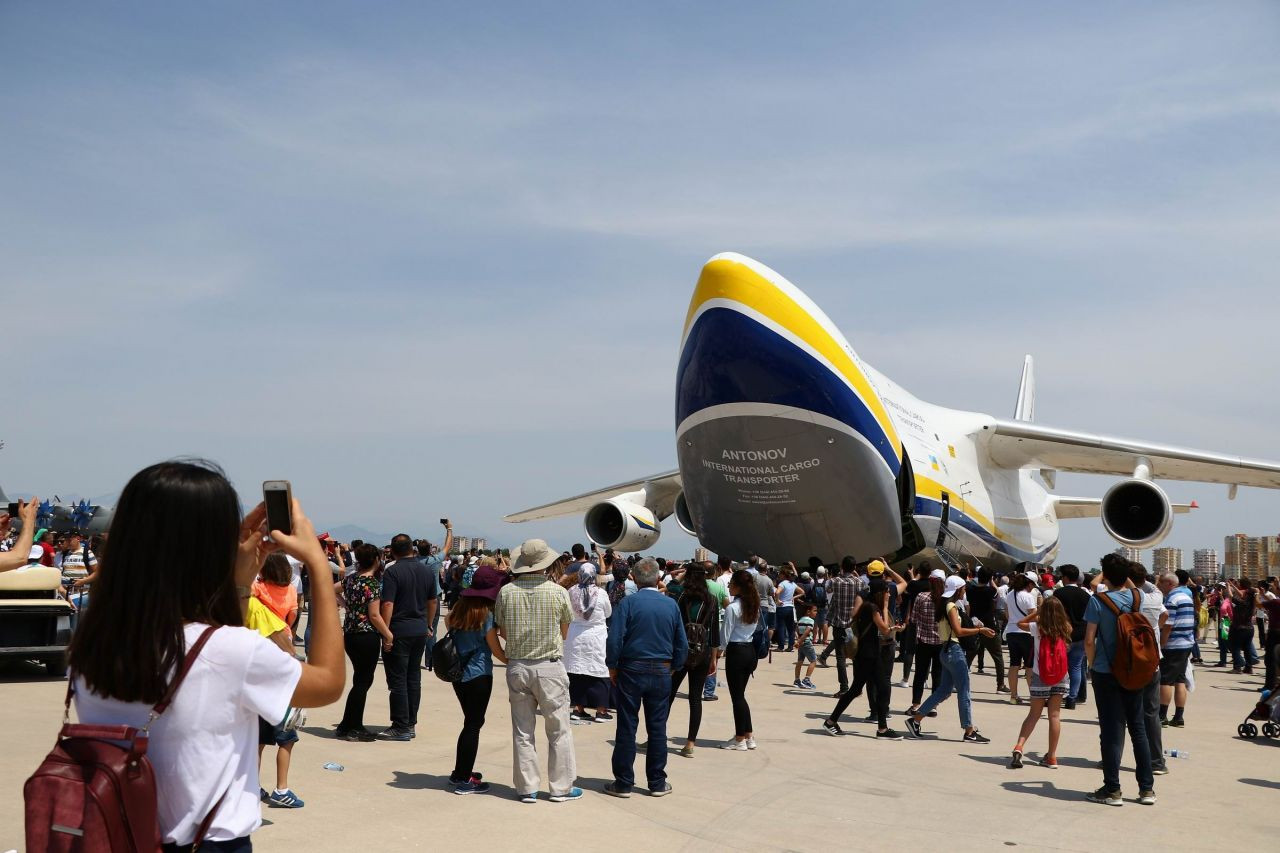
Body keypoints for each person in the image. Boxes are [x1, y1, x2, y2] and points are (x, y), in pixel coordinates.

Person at [67, 460, 344, 850]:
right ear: (209, 550)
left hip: (116, 833)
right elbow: (329, 682)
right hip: (207, 842)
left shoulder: (92, 643)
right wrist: (317, 562)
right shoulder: (230, 652)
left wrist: (240, 585)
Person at [494, 539, 581, 803]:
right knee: (559, 729)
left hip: (518, 665)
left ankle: (527, 788)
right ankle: (561, 787)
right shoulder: (557, 592)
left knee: (522, 730)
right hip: (549, 666)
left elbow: (503, 630)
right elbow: (565, 631)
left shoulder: (506, 592)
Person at [603, 558, 687, 797]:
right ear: (658, 578)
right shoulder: (670, 605)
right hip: (661, 669)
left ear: (635, 579)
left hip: (631, 668)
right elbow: (681, 642)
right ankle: (657, 782)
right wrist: (674, 666)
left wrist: (612, 666)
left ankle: (623, 782)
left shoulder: (628, 604)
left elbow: (615, 638)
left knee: (627, 725)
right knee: (658, 727)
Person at [1084, 553, 1155, 807]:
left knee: (1112, 731)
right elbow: (1135, 586)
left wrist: (1092, 665)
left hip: (1106, 670)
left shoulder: (1098, 602)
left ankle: (1112, 788)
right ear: (1125, 575)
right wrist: (1121, 573)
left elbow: (1089, 639)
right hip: (1135, 669)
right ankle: (1146, 789)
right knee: (1138, 729)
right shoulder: (1138, 597)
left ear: (1105, 574)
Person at [903, 576, 995, 744]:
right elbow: (958, 631)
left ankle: (915, 720)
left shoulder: (944, 604)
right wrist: (980, 630)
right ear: (958, 589)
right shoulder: (951, 606)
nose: (965, 591)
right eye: (963, 588)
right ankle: (969, 731)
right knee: (964, 691)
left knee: (943, 691)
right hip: (954, 650)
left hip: (946, 650)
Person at [446, 565, 508, 794]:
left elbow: (448, 626)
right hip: (479, 674)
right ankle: (463, 779)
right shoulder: (486, 616)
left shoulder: (457, 610)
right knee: (473, 725)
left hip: (458, 674)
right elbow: (495, 649)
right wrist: (511, 661)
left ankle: (460, 771)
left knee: (470, 722)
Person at [823, 579, 905, 739]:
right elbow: (885, 629)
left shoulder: (867, 606)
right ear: (880, 593)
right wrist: (886, 606)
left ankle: (882, 728)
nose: (889, 594)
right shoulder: (873, 608)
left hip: (869, 654)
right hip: (868, 656)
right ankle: (831, 722)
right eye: (887, 591)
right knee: (858, 690)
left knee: (879, 689)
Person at [376, 533, 439, 741]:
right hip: (419, 630)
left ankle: (401, 725)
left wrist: (386, 633)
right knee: (414, 678)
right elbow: (433, 602)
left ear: (392, 551)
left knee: (398, 680)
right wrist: (429, 624)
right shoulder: (427, 571)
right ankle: (410, 722)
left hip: (399, 630)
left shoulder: (392, 572)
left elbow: (387, 604)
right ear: (412, 548)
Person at [246, 594, 304, 808]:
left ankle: (253, 784)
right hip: (276, 685)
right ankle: (282, 788)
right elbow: (288, 646)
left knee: (257, 741)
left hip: (252, 684)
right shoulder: (260, 607)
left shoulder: (253, 597)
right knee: (287, 738)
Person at [335, 543, 393, 741]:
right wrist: (388, 635)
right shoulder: (373, 584)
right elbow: (375, 615)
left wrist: (348, 606)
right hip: (366, 635)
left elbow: (332, 589)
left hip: (350, 634)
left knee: (359, 680)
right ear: (376, 560)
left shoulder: (351, 579)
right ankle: (355, 727)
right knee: (363, 681)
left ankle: (346, 723)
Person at [1008, 595, 1073, 770]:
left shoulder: (1037, 627)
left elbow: (1019, 623)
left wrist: (1037, 612)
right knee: (1054, 716)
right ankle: (1052, 756)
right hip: (1060, 676)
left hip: (1040, 675)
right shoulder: (1065, 628)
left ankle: (1019, 746)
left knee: (1033, 715)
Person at [670, 563, 721, 756]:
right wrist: (714, 659)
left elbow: (673, 583)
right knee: (695, 698)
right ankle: (690, 743)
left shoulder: (682, 597)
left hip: (682, 651)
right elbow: (714, 633)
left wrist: (682, 574)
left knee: (669, 694)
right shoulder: (712, 600)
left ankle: (655, 737)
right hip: (703, 652)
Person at [564, 563, 613, 723]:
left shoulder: (572, 591)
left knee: (577, 671)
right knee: (599, 671)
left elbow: (568, 611)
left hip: (576, 634)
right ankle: (601, 711)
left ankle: (578, 709)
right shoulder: (601, 593)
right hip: (596, 636)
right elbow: (608, 612)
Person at [720, 569, 762, 750]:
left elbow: (725, 636)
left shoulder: (732, 607)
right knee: (740, 696)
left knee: (737, 697)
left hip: (736, 651)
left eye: (731, 584)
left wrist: (717, 653)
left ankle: (739, 739)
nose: (728, 586)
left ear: (738, 586)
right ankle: (748, 735)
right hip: (750, 650)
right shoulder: (753, 605)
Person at [817, 556, 863, 697]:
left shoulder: (835, 581)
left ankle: (844, 687)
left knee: (840, 657)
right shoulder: (858, 582)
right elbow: (865, 589)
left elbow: (828, 589)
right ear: (854, 567)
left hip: (838, 623)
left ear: (842, 567)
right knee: (856, 656)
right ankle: (857, 688)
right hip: (854, 624)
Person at [1157, 572, 1194, 729]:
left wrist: (1162, 644)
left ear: (1170, 584)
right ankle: (1179, 716)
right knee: (1180, 680)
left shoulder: (1172, 599)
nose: (1159, 585)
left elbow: (1168, 625)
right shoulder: (1186, 597)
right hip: (1186, 643)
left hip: (1173, 644)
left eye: (1161, 582)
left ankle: (1162, 716)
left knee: (1165, 680)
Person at [906, 569, 944, 718]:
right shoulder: (945, 599)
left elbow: (913, 619)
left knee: (920, 674)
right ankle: (933, 706)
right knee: (937, 674)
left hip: (923, 641)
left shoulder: (921, 596)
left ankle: (916, 705)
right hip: (940, 642)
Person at [1052, 565, 1091, 709]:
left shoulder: (1059, 593)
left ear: (1066, 578)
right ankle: (1072, 698)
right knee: (1076, 667)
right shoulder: (1086, 595)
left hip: (1063, 634)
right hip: (1081, 634)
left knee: (1059, 666)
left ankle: (1057, 694)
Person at [965, 567, 1007, 693]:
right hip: (989, 626)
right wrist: (991, 580)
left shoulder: (970, 590)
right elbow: (996, 592)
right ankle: (1000, 685)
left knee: (969, 657)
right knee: (997, 657)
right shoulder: (990, 590)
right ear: (990, 578)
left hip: (974, 625)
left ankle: (958, 682)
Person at [1003, 574, 1040, 705]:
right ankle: (1033, 696)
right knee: (1029, 666)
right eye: (1033, 585)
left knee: (1014, 664)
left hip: (1011, 631)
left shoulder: (1010, 594)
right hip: (1026, 633)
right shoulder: (1028, 596)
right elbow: (1034, 616)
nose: (1033, 588)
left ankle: (1014, 696)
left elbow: (1007, 613)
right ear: (1029, 584)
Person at [253, 553, 299, 637]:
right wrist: (286, 625)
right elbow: (293, 614)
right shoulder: (291, 589)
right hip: (284, 633)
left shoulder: (257, 587)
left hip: (262, 633)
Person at [774, 563, 801, 651]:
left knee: (781, 627)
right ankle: (790, 646)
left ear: (783, 575)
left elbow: (777, 592)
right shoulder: (792, 584)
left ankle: (781, 646)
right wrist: (794, 597)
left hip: (782, 607)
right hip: (790, 607)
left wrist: (777, 600)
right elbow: (802, 592)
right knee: (790, 628)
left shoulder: (782, 584)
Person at [792, 603, 819, 689]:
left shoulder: (800, 620)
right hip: (806, 643)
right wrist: (799, 641)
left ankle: (797, 680)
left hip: (801, 644)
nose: (816, 613)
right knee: (813, 660)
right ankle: (806, 680)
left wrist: (798, 640)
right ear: (808, 611)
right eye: (814, 611)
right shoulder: (811, 621)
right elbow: (807, 632)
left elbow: (795, 630)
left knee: (800, 661)